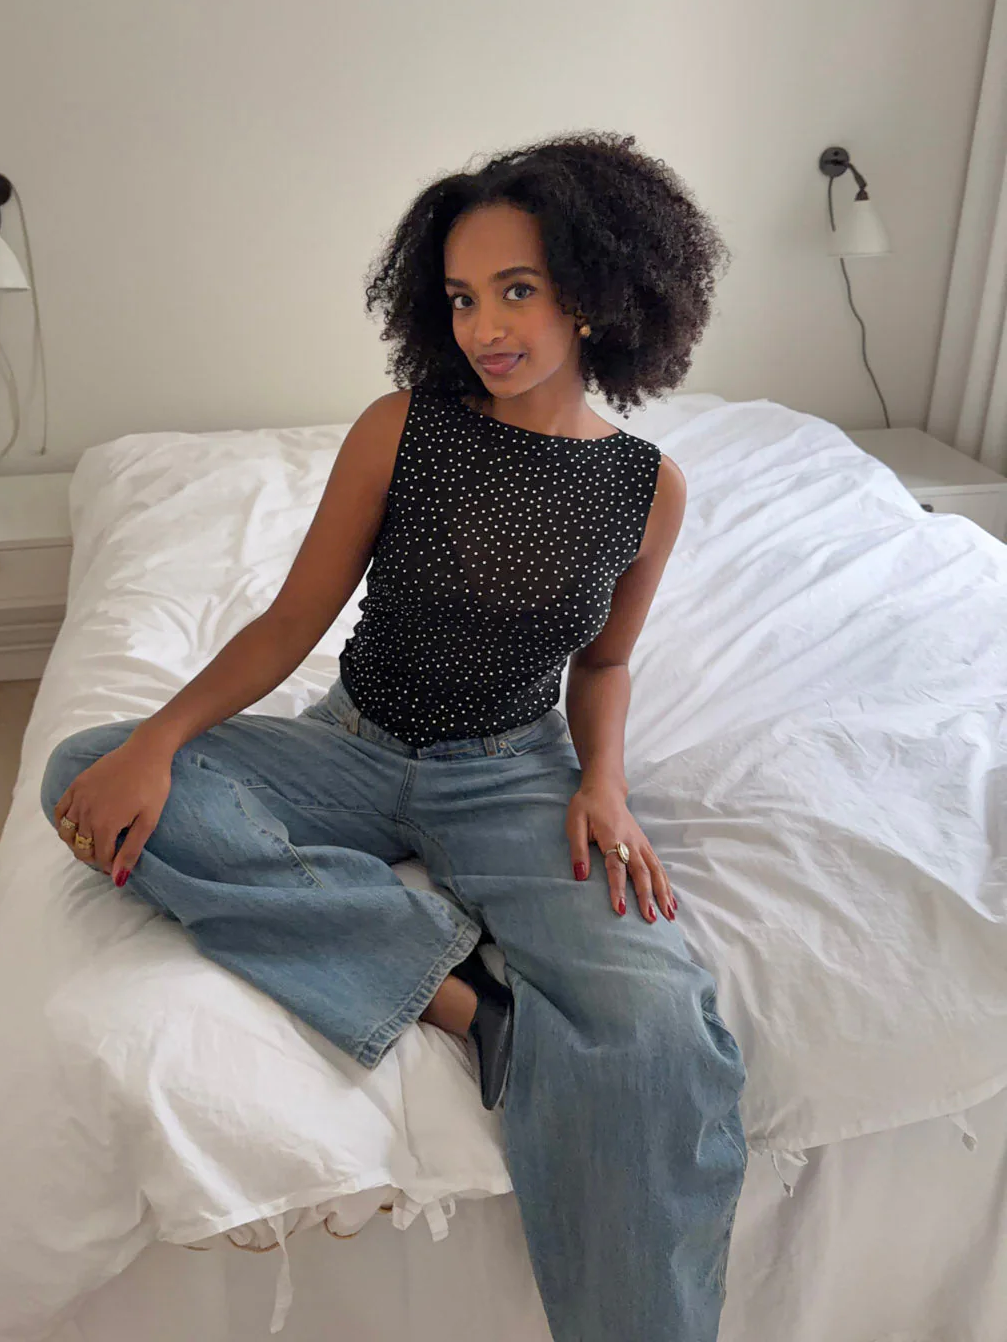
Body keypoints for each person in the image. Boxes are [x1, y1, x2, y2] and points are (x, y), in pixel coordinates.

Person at [40, 130, 747, 1341]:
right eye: (463, 297)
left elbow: (606, 661)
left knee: (658, 1033)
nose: (485, 327)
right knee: (85, 769)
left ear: (596, 291)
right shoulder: (403, 427)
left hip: (514, 777)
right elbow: (291, 621)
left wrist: (605, 784)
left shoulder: (646, 487)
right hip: (351, 747)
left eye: (516, 290)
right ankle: (462, 994)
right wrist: (157, 741)